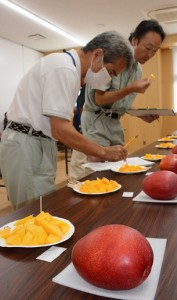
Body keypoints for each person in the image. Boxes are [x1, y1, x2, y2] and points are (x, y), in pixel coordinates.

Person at [0, 31, 134, 210]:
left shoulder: (70, 70)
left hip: (39, 141)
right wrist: (102, 152)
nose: (108, 78)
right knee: (32, 215)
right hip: (26, 142)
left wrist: (91, 151)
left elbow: (59, 127)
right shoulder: (63, 68)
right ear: (97, 55)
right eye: (110, 72)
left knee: (43, 208)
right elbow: (61, 129)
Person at [70, 20, 166, 179]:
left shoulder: (138, 70)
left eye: (155, 51)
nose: (150, 55)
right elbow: (99, 100)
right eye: (148, 48)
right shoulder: (113, 56)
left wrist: (140, 114)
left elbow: (119, 103)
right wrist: (131, 88)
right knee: (93, 177)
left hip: (114, 126)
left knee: (115, 175)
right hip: (95, 125)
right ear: (135, 40)